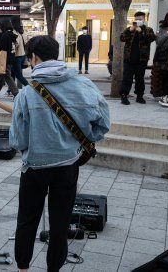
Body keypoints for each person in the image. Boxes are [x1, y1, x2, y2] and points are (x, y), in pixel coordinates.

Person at [10, 35, 110, 272]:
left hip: (35, 167)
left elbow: (17, 140)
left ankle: (23, 268)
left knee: (27, 220)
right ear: (57, 54)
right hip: (68, 166)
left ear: (34, 57)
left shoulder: (26, 94)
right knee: (60, 223)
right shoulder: (85, 85)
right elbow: (102, 125)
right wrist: (76, 142)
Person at [119, 12, 156, 105]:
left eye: (140, 19)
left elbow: (151, 38)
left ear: (144, 19)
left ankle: (139, 96)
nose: (138, 21)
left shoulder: (148, 30)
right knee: (127, 78)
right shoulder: (130, 29)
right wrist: (129, 31)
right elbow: (122, 38)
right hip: (129, 59)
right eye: (136, 19)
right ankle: (124, 96)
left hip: (142, 59)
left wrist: (141, 32)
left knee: (140, 78)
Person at [0, 19, 19, 98]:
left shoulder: (5, 35)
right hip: (11, 57)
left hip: (5, 59)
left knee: (7, 76)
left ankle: (16, 94)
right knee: (1, 76)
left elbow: (2, 48)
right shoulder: (12, 35)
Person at [11, 16, 29, 87]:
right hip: (22, 56)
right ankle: (10, 90)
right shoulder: (22, 32)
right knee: (12, 74)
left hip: (16, 56)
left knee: (18, 75)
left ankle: (29, 87)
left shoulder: (15, 32)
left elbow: (16, 43)